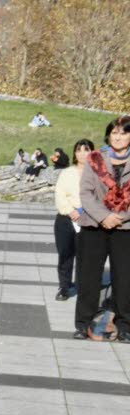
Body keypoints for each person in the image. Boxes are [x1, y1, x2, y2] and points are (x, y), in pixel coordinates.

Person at [75, 116, 130, 342]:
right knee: (89, 277)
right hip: (94, 226)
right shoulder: (95, 159)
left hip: (125, 228)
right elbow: (86, 193)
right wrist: (104, 216)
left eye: (124, 133)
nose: (118, 137)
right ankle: (83, 323)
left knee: (125, 279)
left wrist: (119, 218)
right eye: (114, 133)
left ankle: (125, 325)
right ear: (108, 135)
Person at [54, 139, 94, 301]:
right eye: (79, 150)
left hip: (88, 219)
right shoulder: (66, 173)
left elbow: (99, 196)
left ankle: (84, 288)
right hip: (65, 219)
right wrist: (70, 211)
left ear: (93, 152)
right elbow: (59, 194)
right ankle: (64, 287)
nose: (82, 153)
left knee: (85, 256)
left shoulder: (97, 173)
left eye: (86, 150)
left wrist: (83, 210)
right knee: (65, 254)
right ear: (75, 153)